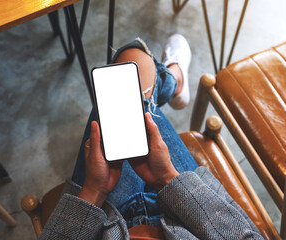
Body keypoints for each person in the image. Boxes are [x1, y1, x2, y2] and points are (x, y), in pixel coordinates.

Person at [39, 35, 263, 239]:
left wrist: (94, 190)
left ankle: (171, 81)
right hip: (188, 221)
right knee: (134, 65)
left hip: (106, 224)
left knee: (132, 59)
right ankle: (172, 81)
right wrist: (166, 176)